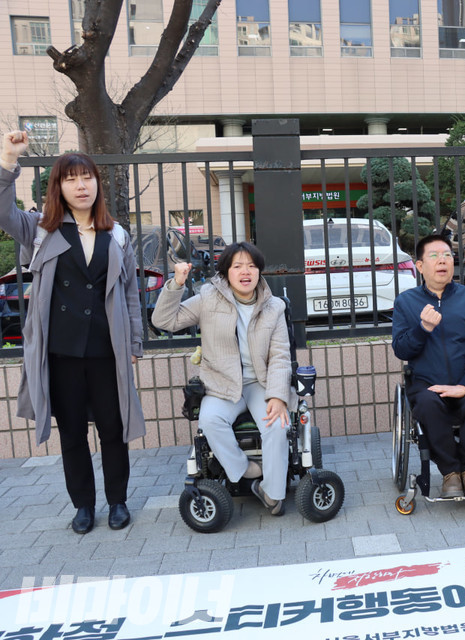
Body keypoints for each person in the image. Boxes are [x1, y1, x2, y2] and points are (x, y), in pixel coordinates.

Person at [0, 130, 145, 534]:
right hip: (60, 351)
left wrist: (133, 341)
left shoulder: (116, 234)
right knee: (72, 434)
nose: (80, 185)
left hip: (106, 349)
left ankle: (118, 501)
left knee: (113, 430)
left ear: (97, 183)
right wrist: (8, 162)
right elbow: (2, 213)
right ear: (58, 187)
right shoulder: (40, 229)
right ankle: (84, 505)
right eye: (70, 178)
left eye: (87, 177)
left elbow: (130, 292)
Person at [151, 242, 293, 515]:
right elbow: (164, 321)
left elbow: (280, 355)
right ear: (226, 272)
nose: (245, 272)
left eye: (251, 266)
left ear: (259, 271)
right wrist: (176, 283)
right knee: (209, 420)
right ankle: (244, 469)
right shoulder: (208, 298)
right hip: (221, 383)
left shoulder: (273, 306)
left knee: (276, 426)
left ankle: (272, 493)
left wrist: (277, 395)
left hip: (258, 383)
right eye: (237, 266)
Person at [392, 235, 465, 499]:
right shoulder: (406, 302)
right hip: (427, 384)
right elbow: (401, 349)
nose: (442, 261)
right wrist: (423, 328)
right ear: (419, 266)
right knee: (426, 404)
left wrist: (464, 384)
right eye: (434, 256)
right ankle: (450, 472)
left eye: (447, 255)